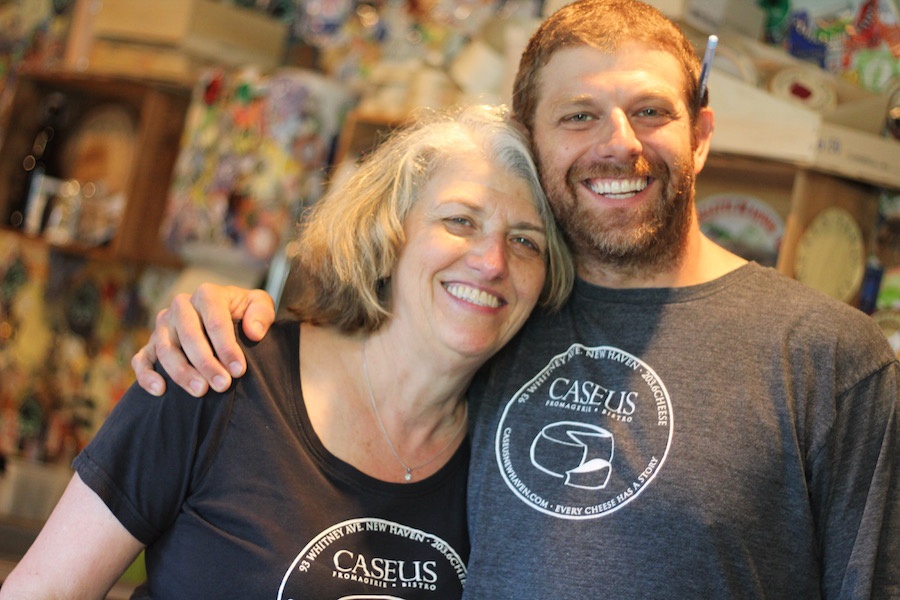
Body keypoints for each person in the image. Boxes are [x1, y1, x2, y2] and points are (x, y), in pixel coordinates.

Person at [131, 0, 899, 598]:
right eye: (579, 116)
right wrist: (219, 309)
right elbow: (338, 367)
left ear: (699, 134)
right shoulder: (487, 315)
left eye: (652, 111)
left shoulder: (829, 360)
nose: (619, 143)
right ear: (534, 143)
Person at [0, 104, 573, 598]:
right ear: (388, 235)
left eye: (525, 240)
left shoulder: (511, 462)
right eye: (459, 221)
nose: (493, 261)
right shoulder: (218, 371)